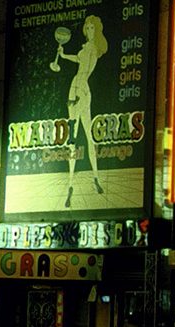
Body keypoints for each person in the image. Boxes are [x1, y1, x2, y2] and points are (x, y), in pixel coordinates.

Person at [56, 15, 109, 204]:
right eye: (87, 28)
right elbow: (78, 60)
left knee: (84, 137)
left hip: (79, 89)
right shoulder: (88, 48)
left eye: (91, 27)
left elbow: (84, 69)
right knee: (76, 137)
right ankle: (76, 182)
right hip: (79, 88)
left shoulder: (93, 49)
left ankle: (92, 178)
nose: (88, 30)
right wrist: (63, 56)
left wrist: (74, 96)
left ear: (96, 29)